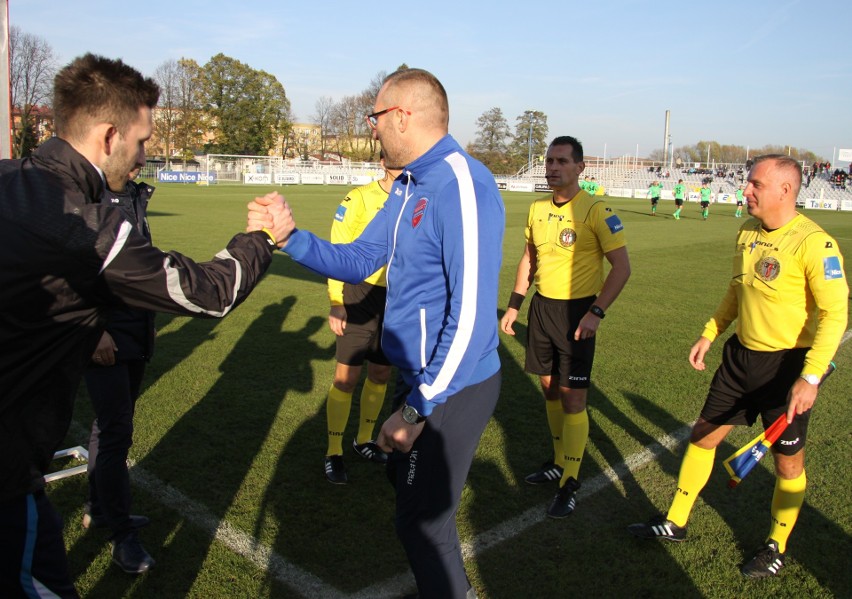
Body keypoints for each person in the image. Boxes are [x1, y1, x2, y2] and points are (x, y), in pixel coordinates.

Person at [0, 54, 292, 598]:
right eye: (142, 139)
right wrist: (261, 238)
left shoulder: (10, 179)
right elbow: (204, 293)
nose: (145, 151)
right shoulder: (78, 222)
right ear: (110, 136)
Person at [249, 68, 504, 599]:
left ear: (403, 117)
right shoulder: (411, 182)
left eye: (376, 116)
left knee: (422, 524)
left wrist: (417, 409)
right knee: (408, 490)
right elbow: (361, 256)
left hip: (455, 385)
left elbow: (473, 320)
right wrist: (289, 236)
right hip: (422, 380)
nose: (372, 129)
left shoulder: (461, 183)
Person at [628, 155, 848, 578]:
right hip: (740, 358)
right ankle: (675, 522)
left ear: (785, 190)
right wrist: (710, 332)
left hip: (787, 369)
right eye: (748, 183)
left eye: (755, 185)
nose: (745, 190)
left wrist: (810, 376)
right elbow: (736, 290)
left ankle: (776, 545)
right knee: (704, 435)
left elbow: (835, 314)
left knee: (788, 464)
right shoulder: (747, 231)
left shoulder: (814, 244)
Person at [500, 136, 631, 519]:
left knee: (573, 397)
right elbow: (529, 259)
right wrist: (514, 305)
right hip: (542, 309)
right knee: (548, 388)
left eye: (561, 161)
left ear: (580, 168)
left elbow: (621, 268)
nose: (553, 167)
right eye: (549, 161)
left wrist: (596, 312)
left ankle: (570, 480)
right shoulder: (537, 208)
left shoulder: (596, 210)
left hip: (578, 313)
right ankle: (560, 460)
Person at [79, 169, 158, 574]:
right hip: (106, 335)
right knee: (115, 432)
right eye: (138, 143)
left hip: (135, 329)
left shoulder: (134, 195)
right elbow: (68, 271)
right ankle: (122, 535)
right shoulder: (85, 197)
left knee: (108, 426)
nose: (142, 157)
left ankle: (99, 507)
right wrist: (95, 331)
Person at [323, 154, 402, 484]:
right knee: (346, 378)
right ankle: (333, 451)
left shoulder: (417, 202)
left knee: (381, 372)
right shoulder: (358, 198)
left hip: (397, 298)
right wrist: (336, 301)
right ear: (384, 161)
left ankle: (365, 439)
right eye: (397, 160)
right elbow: (337, 250)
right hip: (358, 294)